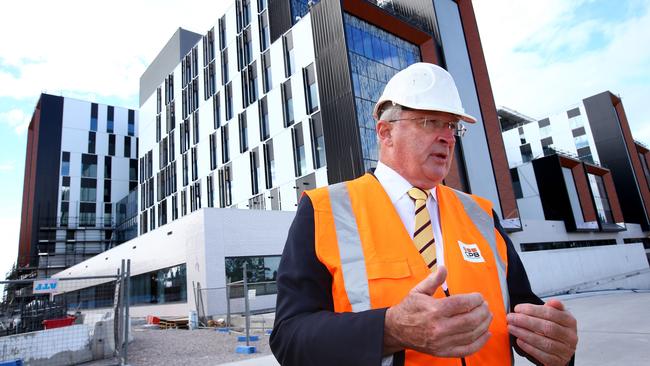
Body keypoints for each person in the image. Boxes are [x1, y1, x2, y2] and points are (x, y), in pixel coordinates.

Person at [270, 63, 578, 366]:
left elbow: (523, 310)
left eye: (453, 126)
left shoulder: (482, 215)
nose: (448, 137)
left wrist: (553, 342)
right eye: (431, 121)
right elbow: (289, 337)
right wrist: (389, 329)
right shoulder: (326, 209)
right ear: (385, 132)